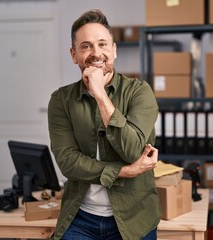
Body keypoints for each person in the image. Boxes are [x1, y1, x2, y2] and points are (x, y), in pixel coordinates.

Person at [47, 9, 161, 240]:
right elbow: (68, 162)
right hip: (80, 217)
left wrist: (100, 94)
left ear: (114, 50)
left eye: (102, 44)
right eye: (86, 46)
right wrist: (123, 172)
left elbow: (131, 151)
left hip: (134, 217)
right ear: (74, 54)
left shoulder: (140, 92)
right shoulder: (61, 100)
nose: (96, 53)